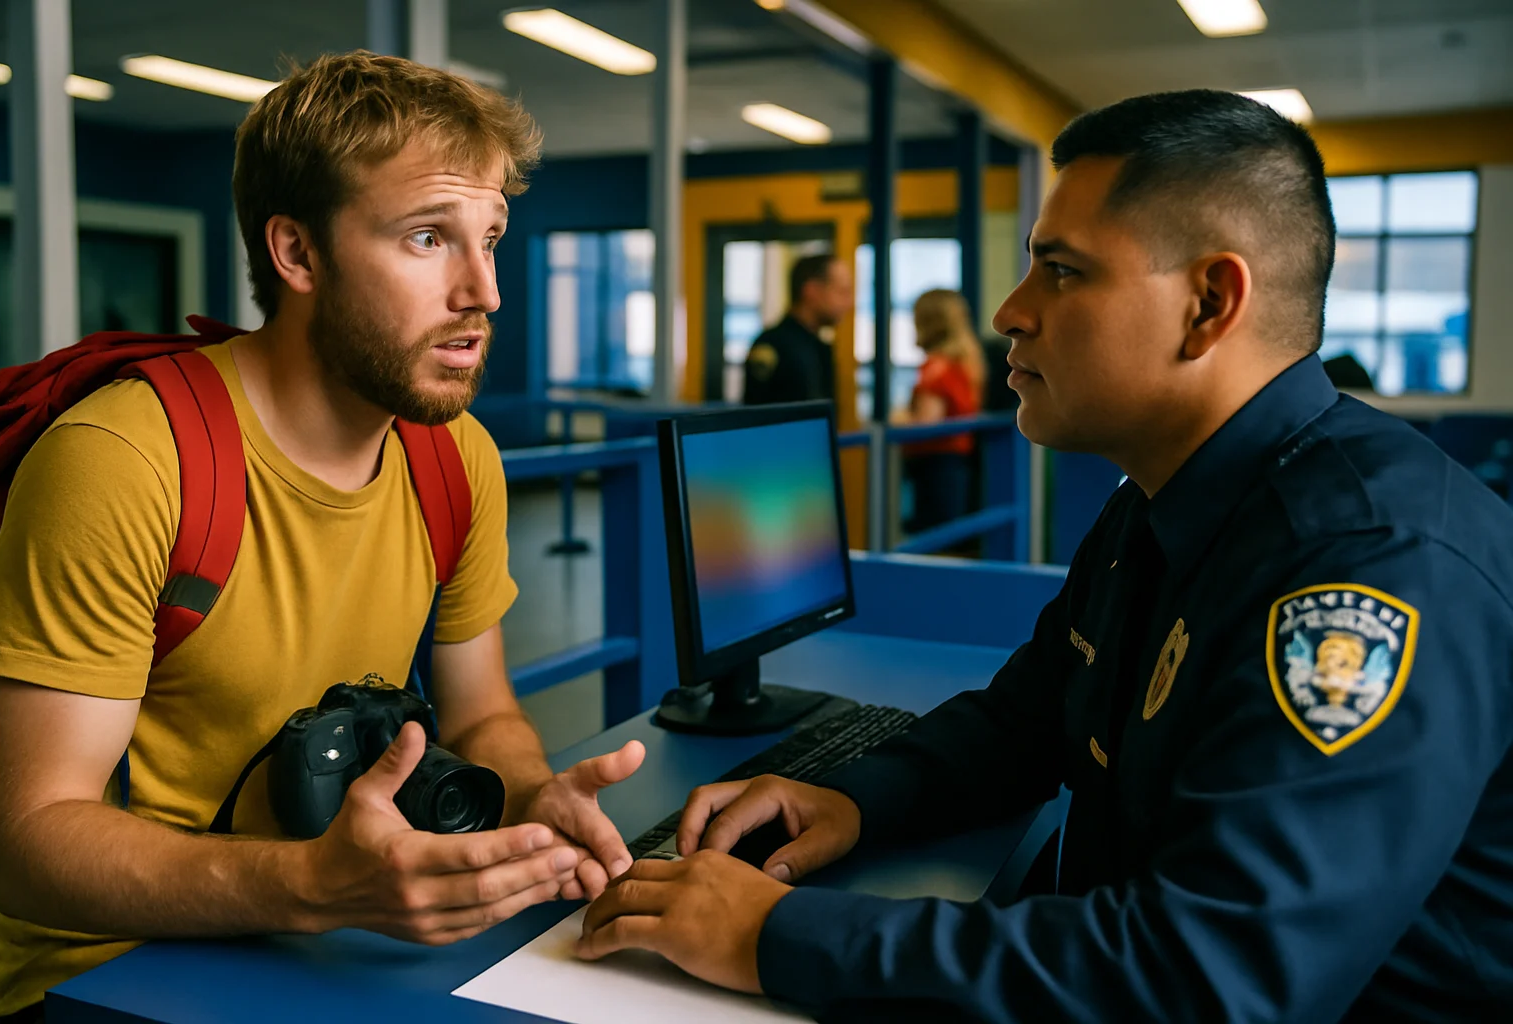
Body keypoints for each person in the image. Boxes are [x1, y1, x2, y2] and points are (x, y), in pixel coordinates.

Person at [572, 90, 1513, 1021]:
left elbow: (1214, 980)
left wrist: (772, 938)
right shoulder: (1159, 501)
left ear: (1209, 304)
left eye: (1061, 271)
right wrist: (854, 800)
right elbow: (1031, 717)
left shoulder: (1371, 567)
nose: (1010, 313)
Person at [0, 52, 645, 1022]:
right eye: (428, 238)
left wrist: (534, 794)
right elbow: (28, 846)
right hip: (104, 988)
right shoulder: (125, 458)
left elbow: (482, 713)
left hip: (326, 946)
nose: (484, 291)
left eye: (490, 238)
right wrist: (315, 883)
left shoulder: (456, 457)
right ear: (297, 254)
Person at [897, 289, 986, 533]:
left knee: (932, 539)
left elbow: (925, 422)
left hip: (933, 468)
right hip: (956, 466)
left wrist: (894, 420)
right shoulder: (967, 363)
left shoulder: (937, 368)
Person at [741, 254, 853, 409]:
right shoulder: (774, 346)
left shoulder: (818, 348)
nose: (849, 303)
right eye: (842, 292)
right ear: (811, 291)